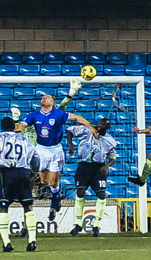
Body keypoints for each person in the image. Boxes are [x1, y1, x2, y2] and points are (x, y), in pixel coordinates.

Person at [0, 79, 82, 227]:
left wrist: (70, 94)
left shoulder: (43, 124)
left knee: (20, 193)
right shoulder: (26, 127)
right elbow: (13, 131)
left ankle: (49, 206)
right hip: (26, 163)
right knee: (19, 195)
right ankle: (0, 218)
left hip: (35, 160)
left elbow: (60, 109)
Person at [16, 90, 96, 221]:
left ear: (52, 103)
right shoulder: (34, 115)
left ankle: (54, 202)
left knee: (53, 182)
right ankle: (56, 195)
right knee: (44, 181)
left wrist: (90, 127)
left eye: (47, 97)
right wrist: (20, 128)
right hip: (41, 149)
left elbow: (76, 118)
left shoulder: (59, 114)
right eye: (43, 97)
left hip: (56, 150)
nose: (44, 98)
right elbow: (23, 124)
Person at [0, 116, 41, 252]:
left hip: (7, 174)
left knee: (4, 206)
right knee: (28, 206)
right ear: (14, 127)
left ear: (2, 127)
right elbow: (35, 155)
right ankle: (32, 240)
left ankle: (7, 242)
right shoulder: (22, 139)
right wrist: (35, 169)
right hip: (23, 173)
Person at [66, 117, 116, 237]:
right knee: (80, 192)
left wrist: (107, 166)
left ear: (107, 128)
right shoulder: (86, 130)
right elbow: (69, 131)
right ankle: (78, 223)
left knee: (101, 195)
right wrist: (71, 145)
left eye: (103, 125)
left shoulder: (110, 141)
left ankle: (97, 225)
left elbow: (113, 158)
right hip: (84, 167)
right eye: (99, 124)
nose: (100, 126)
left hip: (99, 168)